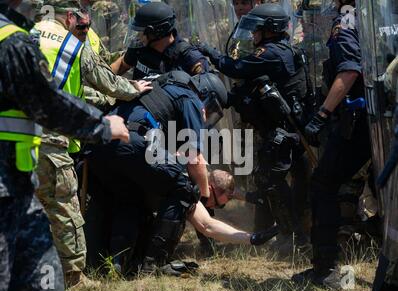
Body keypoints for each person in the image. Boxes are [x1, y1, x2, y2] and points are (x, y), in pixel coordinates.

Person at [86, 71, 278, 275]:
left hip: (98, 146)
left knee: (131, 198)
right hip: (129, 141)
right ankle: (153, 265)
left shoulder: (161, 88)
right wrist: (202, 195)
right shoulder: (190, 98)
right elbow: (195, 161)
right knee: (183, 188)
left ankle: (113, 264)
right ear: (205, 94)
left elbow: (207, 223)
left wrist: (252, 238)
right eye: (211, 107)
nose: (207, 114)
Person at [0, 0, 128, 291]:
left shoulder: (22, 34)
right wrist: (104, 126)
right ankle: (74, 276)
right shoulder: (12, 40)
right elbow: (47, 102)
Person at [197, 3, 312, 251]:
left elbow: (234, 67)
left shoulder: (270, 53)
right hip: (289, 130)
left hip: (281, 133)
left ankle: (291, 237)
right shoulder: (285, 50)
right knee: (283, 182)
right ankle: (291, 234)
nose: (253, 35)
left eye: (257, 29)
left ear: (269, 30)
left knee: (271, 181)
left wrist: (207, 50)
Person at [291, 0, 371, 289]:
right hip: (377, 121)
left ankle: (327, 270)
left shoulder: (346, 22)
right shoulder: (370, 17)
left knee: (324, 184)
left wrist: (323, 113)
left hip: (357, 121)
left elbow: (349, 71)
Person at [110, 1, 209, 79]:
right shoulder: (141, 46)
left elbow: (206, 96)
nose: (138, 36)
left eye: (141, 32)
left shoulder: (189, 58)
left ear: (156, 32)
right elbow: (123, 64)